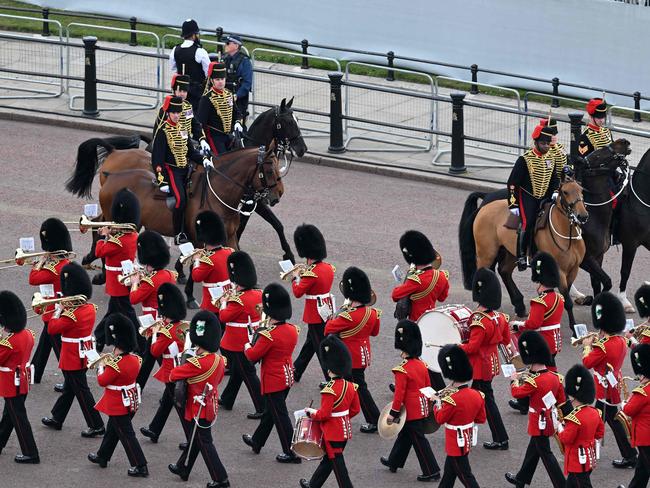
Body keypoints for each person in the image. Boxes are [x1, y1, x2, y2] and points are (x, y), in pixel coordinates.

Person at [42, 263, 105, 437]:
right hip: (82, 353)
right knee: (70, 388)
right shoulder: (89, 308)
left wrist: (57, 310)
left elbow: (52, 328)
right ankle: (58, 417)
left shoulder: (71, 314)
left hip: (72, 356)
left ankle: (97, 424)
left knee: (82, 392)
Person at [168, 311, 230, 487]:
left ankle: (220, 478)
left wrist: (185, 357)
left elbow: (173, 375)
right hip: (210, 403)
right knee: (196, 439)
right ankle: (183, 467)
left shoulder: (198, 363)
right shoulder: (219, 359)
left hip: (198, 407)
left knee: (205, 442)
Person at [242, 283, 301, 464]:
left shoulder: (269, 335)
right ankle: (257, 441)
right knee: (271, 412)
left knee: (281, 416)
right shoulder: (292, 329)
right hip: (287, 375)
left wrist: (247, 343)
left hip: (274, 380)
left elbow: (252, 355)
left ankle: (292, 452)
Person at [582, 291, 638, 468]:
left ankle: (587, 454)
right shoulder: (620, 340)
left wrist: (587, 346)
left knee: (598, 421)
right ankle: (630, 455)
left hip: (604, 388)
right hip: (614, 385)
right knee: (612, 421)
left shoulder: (603, 346)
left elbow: (587, 363)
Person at [380, 319, 441, 481]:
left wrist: (393, 413)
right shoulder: (422, 364)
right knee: (405, 435)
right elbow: (428, 386)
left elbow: (399, 395)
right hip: (421, 407)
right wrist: (429, 405)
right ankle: (394, 461)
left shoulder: (402, 370)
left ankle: (431, 470)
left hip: (411, 410)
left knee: (419, 441)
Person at [88, 313, 148, 477]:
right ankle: (103, 456)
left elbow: (102, 380)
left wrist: (101, 365)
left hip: (118, 403)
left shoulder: (116, 364)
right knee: (112, 430)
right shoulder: (135, 359)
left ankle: (140, 465)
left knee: (127, 435)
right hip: (129, 399)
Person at [505, 331, 565, 488]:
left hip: (539, 422)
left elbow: (516, 393)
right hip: (549, 419)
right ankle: (520, 479)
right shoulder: (554, 377)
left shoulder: (534, 381)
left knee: (546, 454)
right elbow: (561, 400)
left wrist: (514, 381)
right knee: (533, 451)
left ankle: (562, 485)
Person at [325, 266, 381, 433]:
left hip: (350, 357)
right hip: (363, 355)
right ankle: (343, 415)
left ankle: (373, 419)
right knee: (351, 386)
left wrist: (333, 317)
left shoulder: (348, 316)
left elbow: (327, 329)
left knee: (358, 388)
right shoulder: (373, 313)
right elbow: (375, 332)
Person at [300, 335, 360, 488]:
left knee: (338, 465)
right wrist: (342, 418)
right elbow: (355, 410)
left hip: (333, 432)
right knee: (329, 460)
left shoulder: (329, 390)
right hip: (344, 430)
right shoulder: (351, 386)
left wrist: (311, 412)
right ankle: (313, 484)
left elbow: (324, 415)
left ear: (329, 368)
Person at [460, 267, 510, 450]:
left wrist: (456, 347)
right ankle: (466, 429)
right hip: (492, 362)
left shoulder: (479, 321)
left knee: (487, 401)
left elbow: (472, 347)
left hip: (481, 365)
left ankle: (501, 438)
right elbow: (505, 340)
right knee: (474, 397)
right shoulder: (499, 317)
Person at [510, 252, 565, 414]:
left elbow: (533, 324)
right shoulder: (558, 298)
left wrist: (517, 325)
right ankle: (523, 402)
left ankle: (562, 402)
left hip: (543, 342)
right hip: (554, 340)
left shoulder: (539, 302)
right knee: (536, 371)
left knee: (543, 373)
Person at [152, 95, 211, 244]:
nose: (177, 116)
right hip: (172, 172)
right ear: (168, 113)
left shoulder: (184, 129)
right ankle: (178, 233)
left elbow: (191, 152)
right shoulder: (163, 131)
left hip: (187, 169)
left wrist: (203, 159)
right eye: (174, 113)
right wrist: (162, 180)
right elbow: (157, 159)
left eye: (178, 113)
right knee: (180, 199)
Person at [217, 251, 265, 418]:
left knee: (248, 374)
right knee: (238, 372)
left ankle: (262, 407)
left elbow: (223, 317)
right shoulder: (258, 294)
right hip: (251, 338)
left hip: (237, 341)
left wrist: (223, 302)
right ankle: (228, 398)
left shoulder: (238, 300)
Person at [507, 123, 560, 271]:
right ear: (536, 142)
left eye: (548, 143)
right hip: (528, 197)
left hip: (545, 197)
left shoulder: (551, 158)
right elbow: (512, 183)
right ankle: (521, 256)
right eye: (543, 143)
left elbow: (554, 178)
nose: (546, 146)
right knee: (528, 222)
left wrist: (555, 190)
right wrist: (513, 204)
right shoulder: (525, 159)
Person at [139, 283, 187, 444]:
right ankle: (154, 429)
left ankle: (192, 440)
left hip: (172, 371)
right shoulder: (182, 326)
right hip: (179, 367)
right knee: (167, 401)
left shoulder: (166, 332)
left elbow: (154, 351)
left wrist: (154, 333)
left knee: (181, 408)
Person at [94, 188, 141, 351]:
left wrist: (103, 236)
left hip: (117, 281)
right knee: (114, 312)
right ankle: (99, 338)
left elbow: (99, 251)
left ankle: (141, 341)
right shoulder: (132, 235)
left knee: (127, 313)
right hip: (125, 277)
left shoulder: (118, 241)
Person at [434, 344, 486, 488]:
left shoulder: (452, 400)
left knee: (466, 477)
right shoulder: (478, 395)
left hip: (455, 442)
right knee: (449, 475)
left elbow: (439, 419)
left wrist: (437, 403)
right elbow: (481, 419)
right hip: (466, 439)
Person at [130, 230, 177, 389]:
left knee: (158, 358)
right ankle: (138, 386)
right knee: (150, 358)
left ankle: (173, 388)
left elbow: (133, 298)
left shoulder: (150, 281)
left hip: (152, 324)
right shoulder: (168, 274)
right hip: (161, 321)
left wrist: (135, 282)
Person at [29, 217, 72, 385]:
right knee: (45, 344)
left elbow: (33, 279)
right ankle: (35, 373)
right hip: (54, 309)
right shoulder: (64, 262)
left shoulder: (54, 268)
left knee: (61, 351)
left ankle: (71, 381)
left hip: (53, 312)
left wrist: (40, 262)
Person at [292, 223, 335, 383]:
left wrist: (296, 277)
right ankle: (297, 370)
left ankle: (331, 380)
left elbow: (297, 293)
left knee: (320, 349)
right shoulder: (328, 268)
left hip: (315, 314)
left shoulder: (311, 273)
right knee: (310, 344)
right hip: (325, 309)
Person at [0, 291, 39, 464]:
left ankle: (31, 452)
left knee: (19, 419)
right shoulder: (27, 334)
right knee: (9, 416)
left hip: (11, 383)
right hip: (22, 380)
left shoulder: (8, 343)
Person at [557, 364, 604, 488]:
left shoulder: (574, 418)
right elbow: (599, 433)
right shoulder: (595, 412)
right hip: (589, 457)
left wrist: (559, 427)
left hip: (577, 461)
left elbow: (567, 439)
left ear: (573, 396)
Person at [391, 230, 449, 322]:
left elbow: (395, 295)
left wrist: (405, 281)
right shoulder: (442, 276)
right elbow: (442, 298)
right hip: (432, 319)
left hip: (416, 322)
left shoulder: (416, 280)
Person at [619, 344, 650, 488]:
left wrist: (624, 403)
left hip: (645, 438)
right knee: (642, 470)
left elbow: (629, 410)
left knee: (645, 467)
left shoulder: (643, 392)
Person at [153, 73, 208, 153]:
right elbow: (158, 130)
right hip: (173, 146)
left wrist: (202, 139)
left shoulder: (187, 106)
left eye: (185, 91)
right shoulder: (166, 108)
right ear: (174, 91)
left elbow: (195, 125)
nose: (182, 94)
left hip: (188, 143)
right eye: (180, 91)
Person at [197, 61, 243, 156]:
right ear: (212, 81)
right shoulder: (207, 98)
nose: (221, 82)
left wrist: (238, 122)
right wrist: (202, 140)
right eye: (217, 79)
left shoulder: (229, 94)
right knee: (223, 161)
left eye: (222, 79)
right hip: (214, 137)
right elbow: (201, 122)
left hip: (229, 135)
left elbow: (237, 113)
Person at [191, 210, 233, 313]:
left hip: (211, 304)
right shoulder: (229, 251)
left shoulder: (208, 260)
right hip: (227, 299)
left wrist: (196, 260)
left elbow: (196, 277)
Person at [169, 19, 210, 112]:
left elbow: (173, 68)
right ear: (194, 35)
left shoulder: (175, 49)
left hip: (180, 91)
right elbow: (208, 72)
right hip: (196, 93)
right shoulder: (200, 51)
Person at [223, 35, 253, 120]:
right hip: (225, 97)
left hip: (238, 101)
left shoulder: (245, 61)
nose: (225, 45)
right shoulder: (224, 58)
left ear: (236, 46)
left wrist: (236, 96)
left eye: (228, 43)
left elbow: (247, 83)